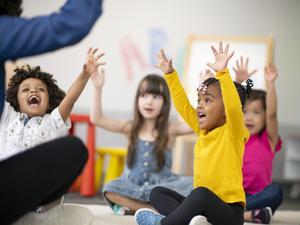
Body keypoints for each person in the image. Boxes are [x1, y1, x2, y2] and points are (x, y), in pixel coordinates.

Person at [0, 0, 103, 223]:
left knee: (75, 147)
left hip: (33, 192)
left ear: (50, 101)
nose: (33, 92)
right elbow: (9, 74)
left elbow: (70, 100)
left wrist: (85, 75)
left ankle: (41, 211)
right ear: (15, 99)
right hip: (10, 186)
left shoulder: (51, 121)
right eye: (25, 90)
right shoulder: (8, 117)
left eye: (40, 90)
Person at [134, 42, 251, 225]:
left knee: (200, 194)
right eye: (199, 100)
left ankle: (164, 224)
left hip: (229, 214)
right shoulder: (201, 130)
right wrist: (170, 75)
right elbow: (183, 107)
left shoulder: (233, 131)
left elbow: (234, 108)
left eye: (208, 100)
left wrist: (222, 73)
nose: (200, 105)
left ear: (225, 109)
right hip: (204, 211)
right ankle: (193, 221)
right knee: (157, 193)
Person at [89, 67, 194, 215]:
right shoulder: (130, 128)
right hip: (132, 186)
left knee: (195, 184)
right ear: (137, 99)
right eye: (144, 95)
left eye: (156, 97)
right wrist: (97, 88)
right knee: (110, 188)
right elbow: (97, 119)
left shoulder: (169, 130)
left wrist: (195, 91)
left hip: (161, 187)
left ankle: (137, 207)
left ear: (165, 103)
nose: (149, 101)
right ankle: (152, 209)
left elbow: (195, 124)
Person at [233, 57, 283, 224]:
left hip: (259, 197)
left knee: (276, 192)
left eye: (256, 112)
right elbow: (230, 108)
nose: (249, 118)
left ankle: (232, 213)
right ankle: (249, 215)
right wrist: (238, 83)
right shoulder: (236, 137)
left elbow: (272, 114)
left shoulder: (269, 139)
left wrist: (270, 84)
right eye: (245, 112)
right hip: (235, 195)